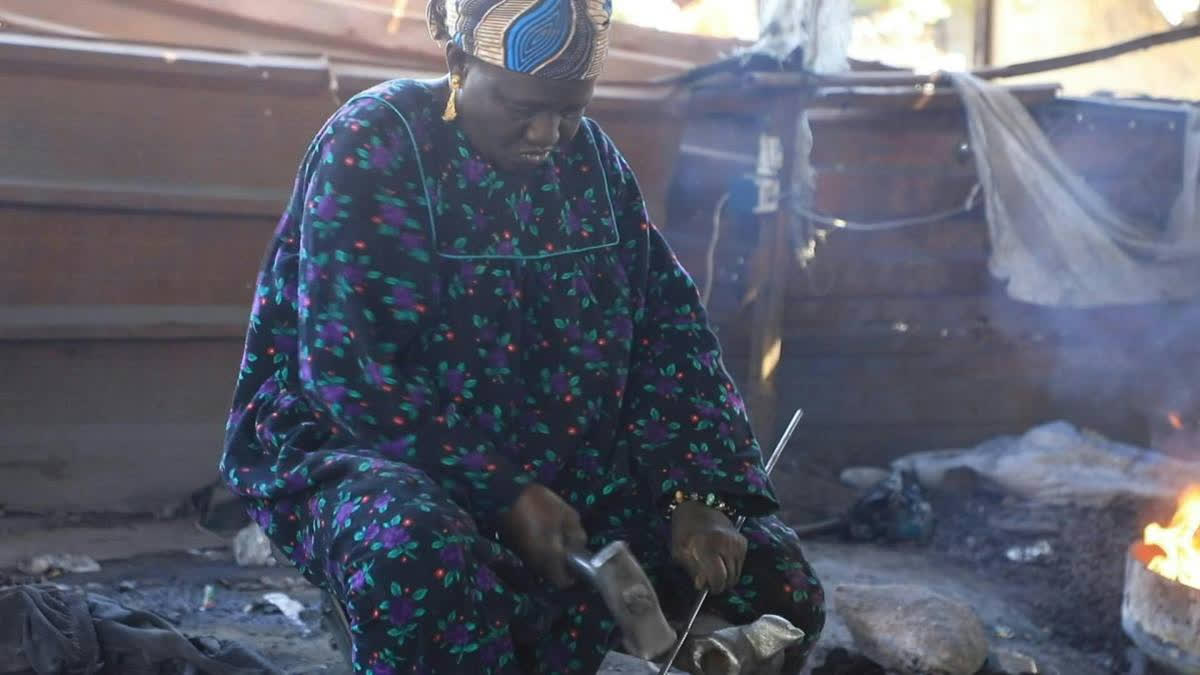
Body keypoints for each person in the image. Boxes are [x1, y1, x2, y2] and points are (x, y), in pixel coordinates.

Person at [218, 0, 824, 672]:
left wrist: (698, 494)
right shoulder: (374, 145)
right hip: (371, 449)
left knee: (776, 579)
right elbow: (349, 374)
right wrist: (501, 490)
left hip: (563, 463)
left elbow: (669, 333)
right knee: (420, 559)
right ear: (456, 63)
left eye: (571, 110)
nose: (548, 132)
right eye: (521, 106)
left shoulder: (592, 162)